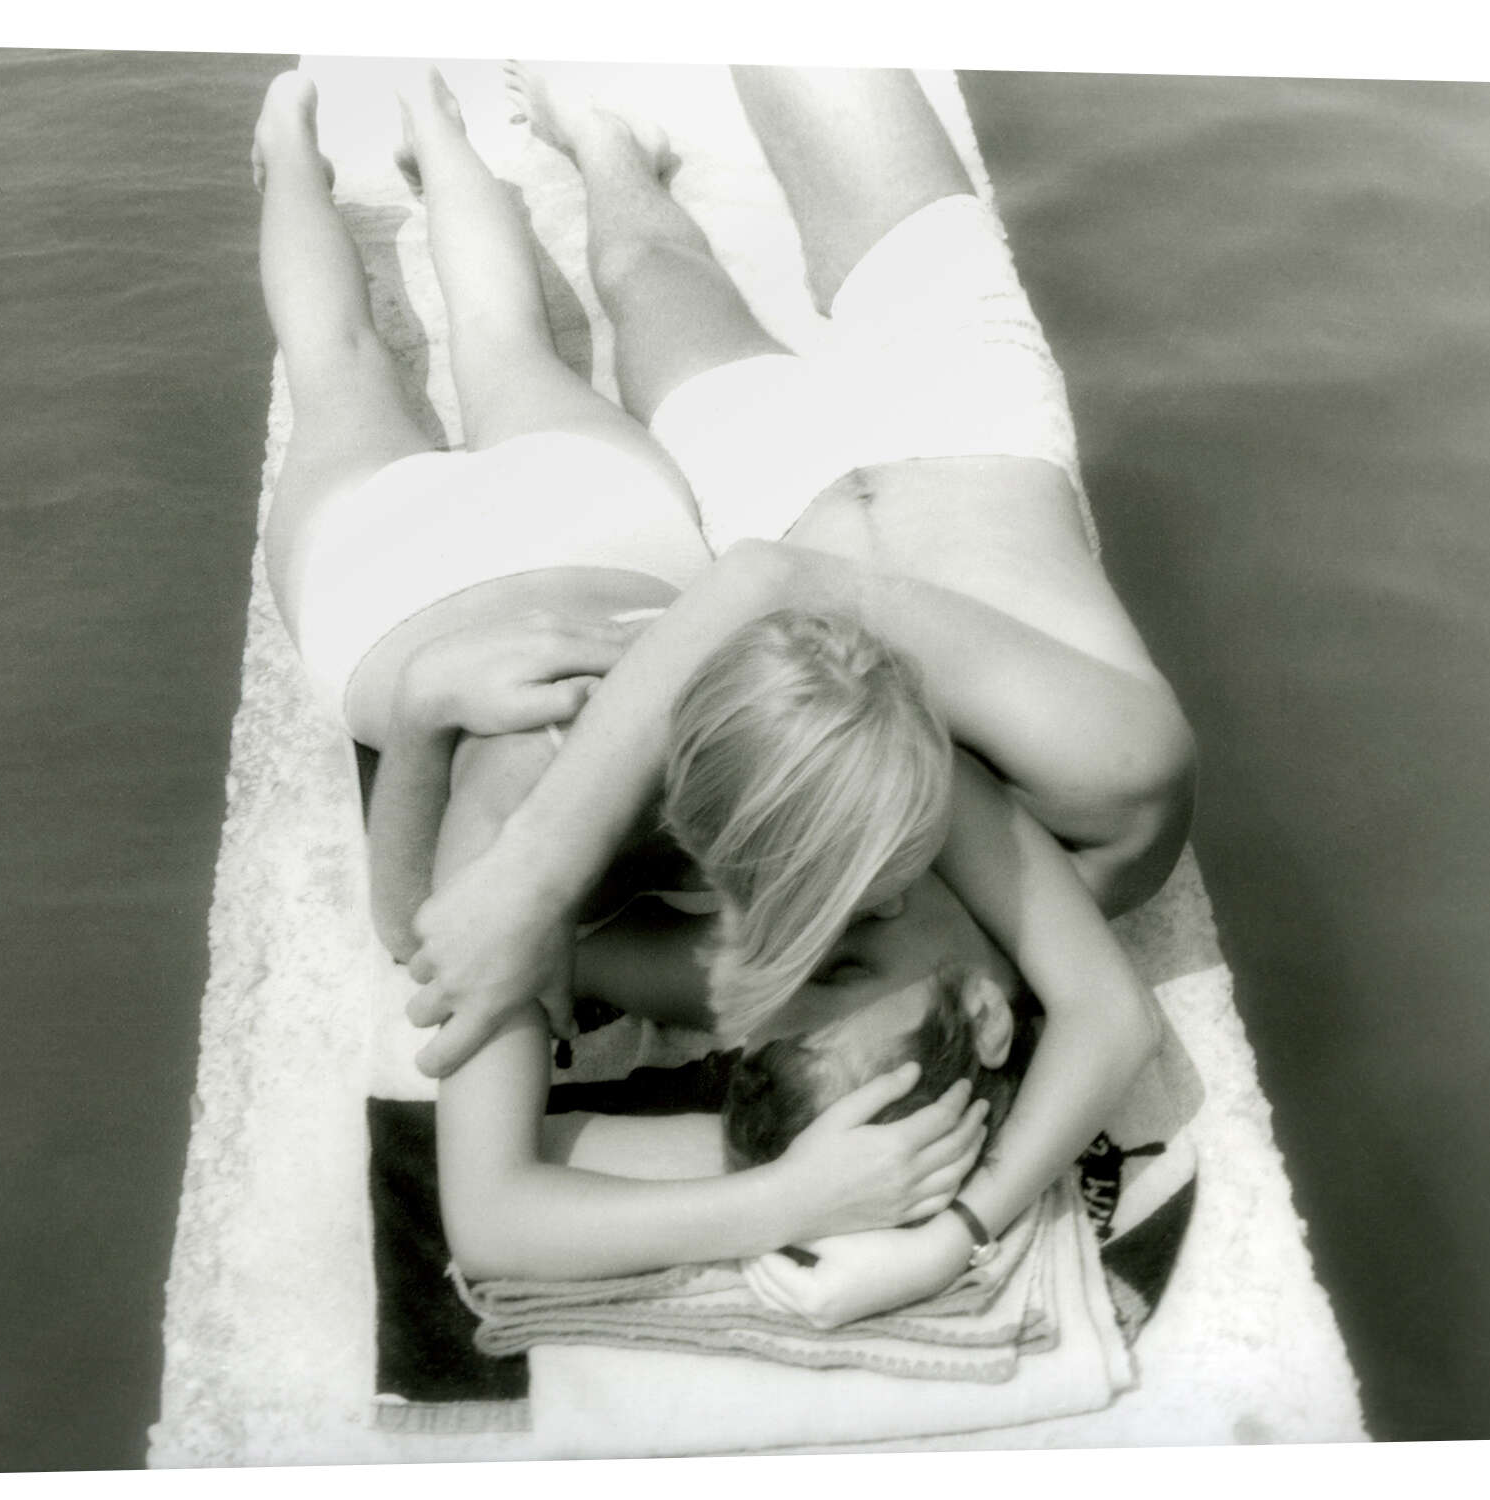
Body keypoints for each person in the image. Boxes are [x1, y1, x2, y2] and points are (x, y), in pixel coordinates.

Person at [406, 66, 1190, 1313]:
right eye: (855, 943)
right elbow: (771, 588)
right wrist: (953, 1235)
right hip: (961, 409)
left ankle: (598, 140)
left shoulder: (766, 930)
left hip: (775, 488)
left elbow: (477, 1050)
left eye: (798, 958)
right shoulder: (1100, 775)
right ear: (991, 1007)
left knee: (640, 270)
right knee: (816, 57)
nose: (834, 919)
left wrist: (486, 840)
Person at [250, 67, 986, 1284]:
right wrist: (780, 1198)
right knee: (372, 357)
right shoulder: (520, 835)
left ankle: (348, 137)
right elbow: (490, 1215)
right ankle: (361, 141)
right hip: (409, 588)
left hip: (587, 541)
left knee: (389, 352)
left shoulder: (805, 755)